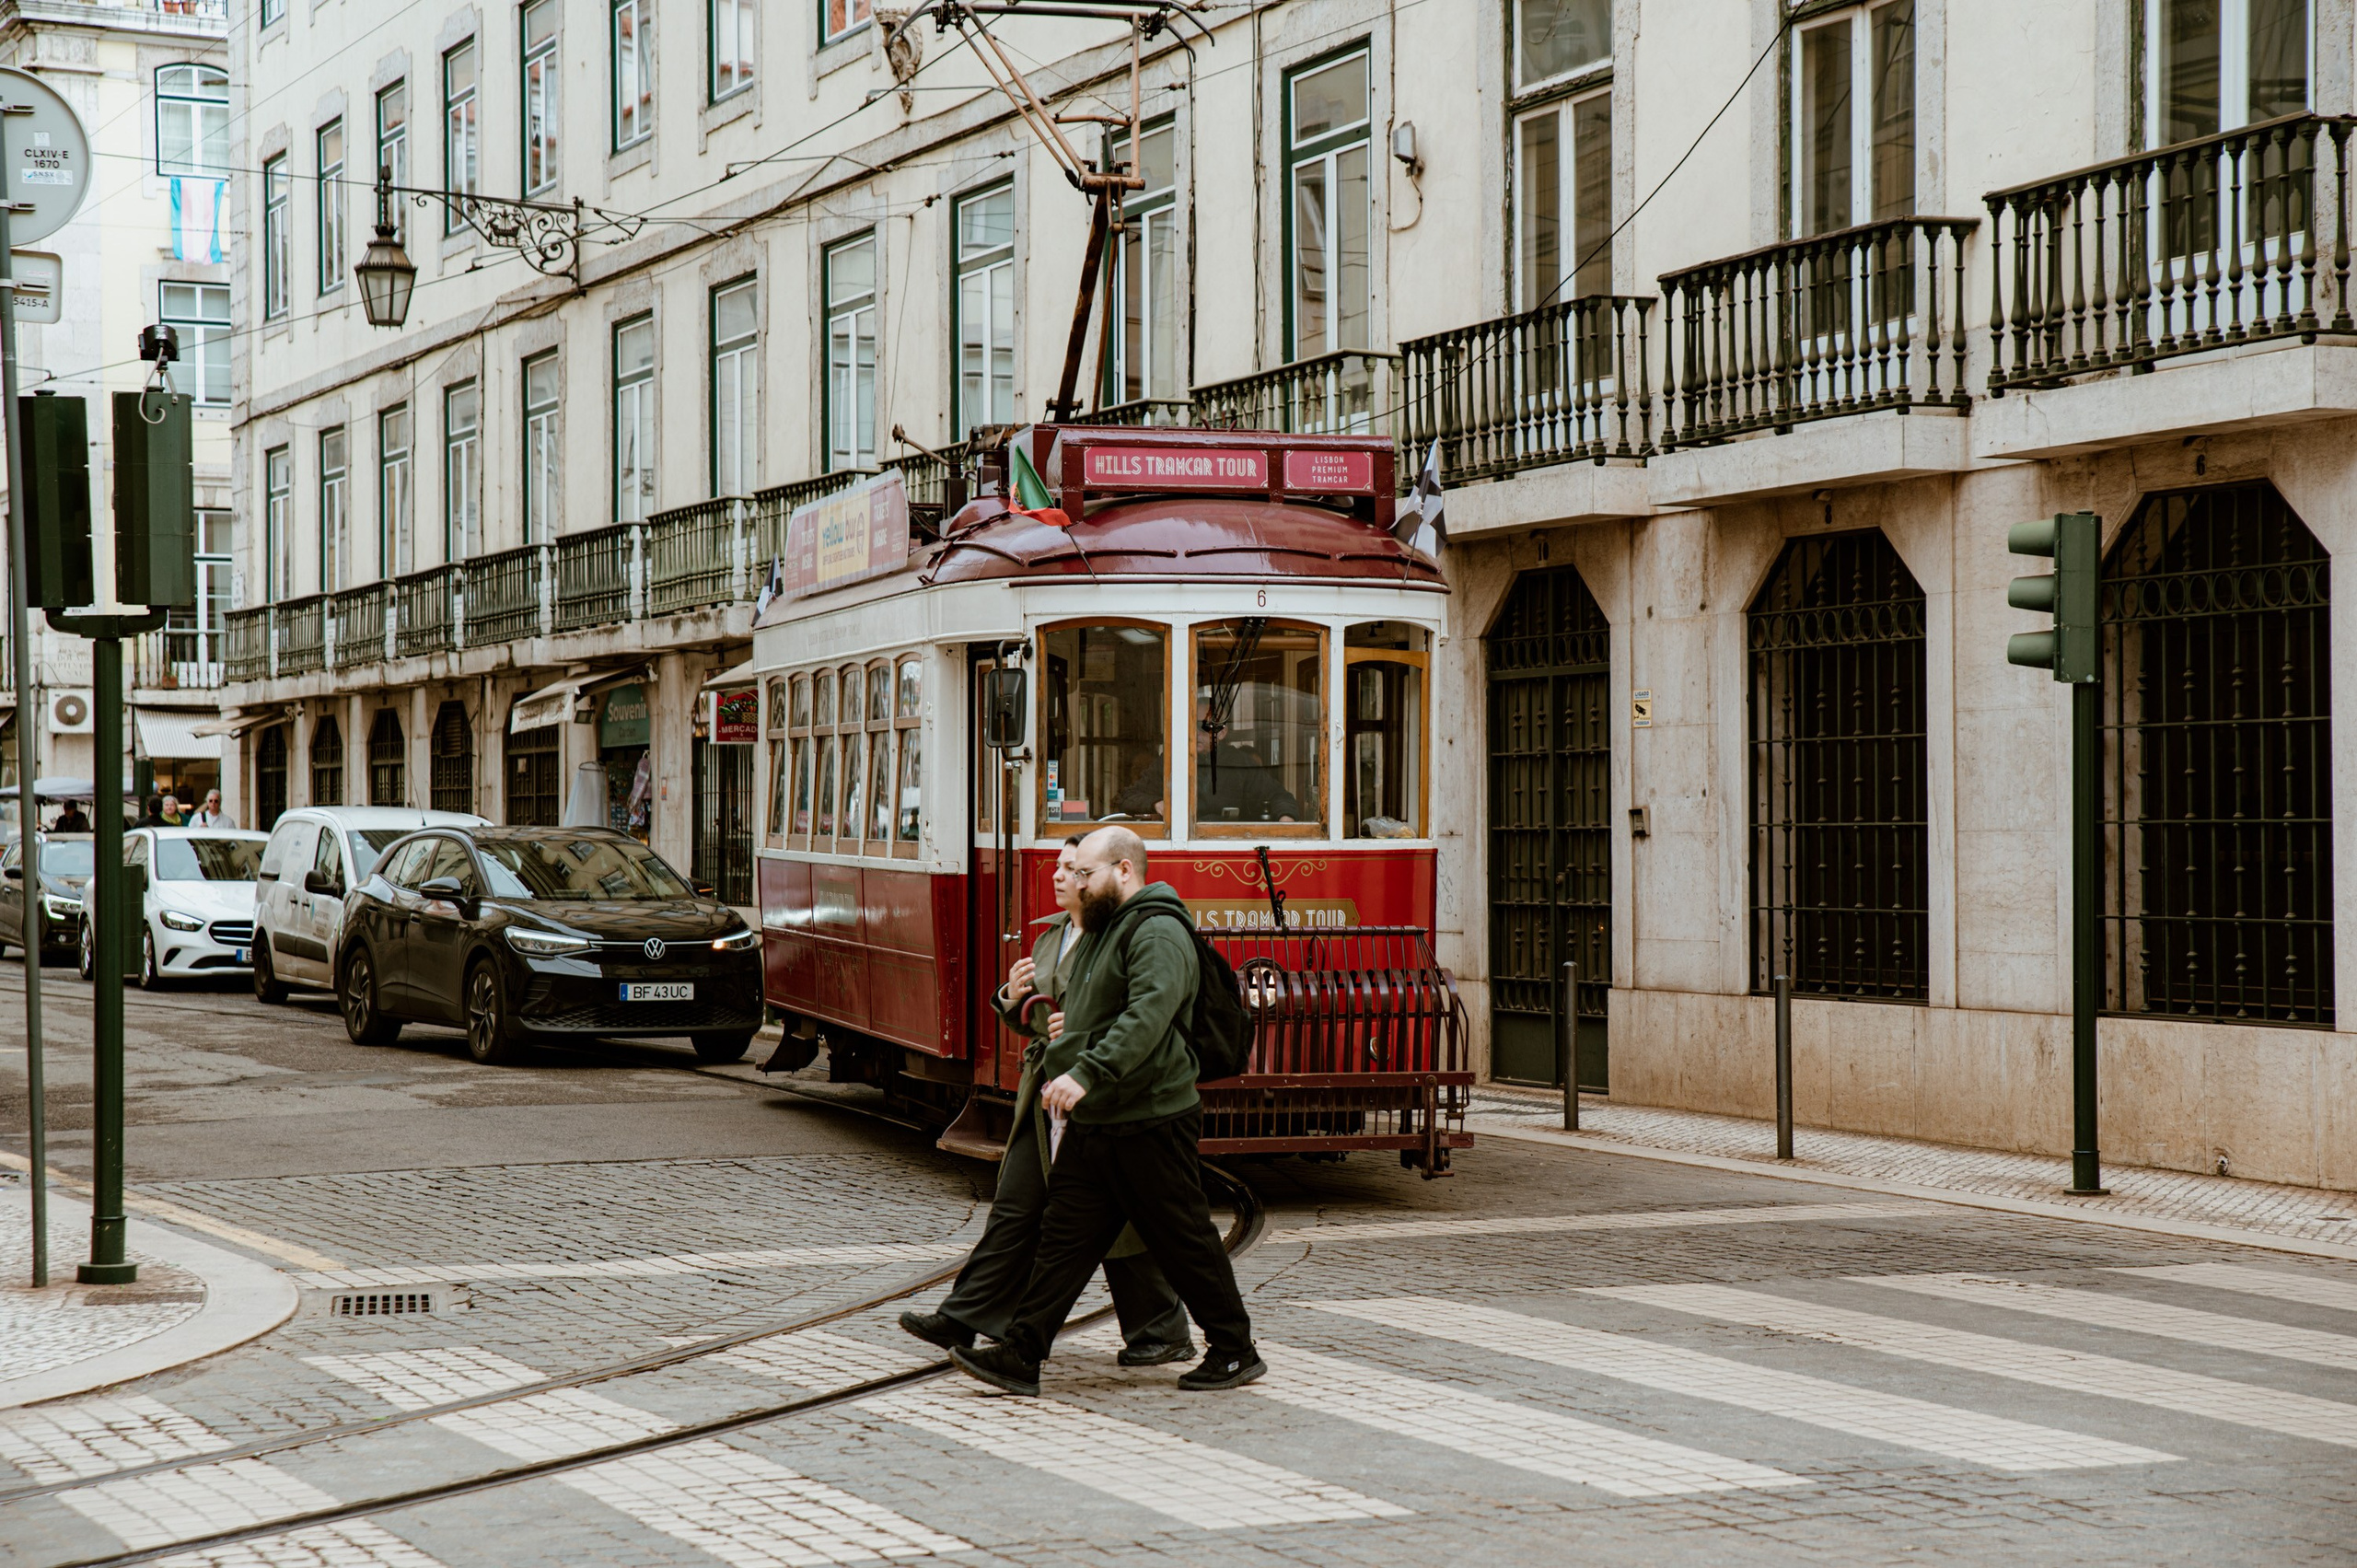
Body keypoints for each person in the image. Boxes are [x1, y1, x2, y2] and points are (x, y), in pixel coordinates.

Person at [948, 825, 1263, 1397]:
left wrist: (1086, 1071)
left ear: (1124, 870)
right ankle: (1021, 1353)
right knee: (1064, 1238)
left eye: (1086, 873)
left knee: (1185, 1239)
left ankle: (1235, 1350)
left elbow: (1148, 1017)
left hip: (1152, 1117)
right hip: (1099, 1117)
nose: (1076, 883)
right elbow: (1087, 1013)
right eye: (1074, 873)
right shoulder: (1102, 926)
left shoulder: (1159, 931)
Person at [899, 834, 1193, 1365]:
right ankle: (965, 1316)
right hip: (1047, 1094)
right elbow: (1043, 1018)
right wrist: (1014, 1001)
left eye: (1075, 868)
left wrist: (1080, 1044)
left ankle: (1162, 1328)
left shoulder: (1126, 933)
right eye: (1061, 866)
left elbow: (1135, 1013)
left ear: (1109, 874)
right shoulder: (1051, 935)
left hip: (1100, 1095)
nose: (1062, 876)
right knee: (1016, 1207)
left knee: (1121, 1219)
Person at [1110, 697, 1299, 824]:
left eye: (1204, 728)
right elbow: (1127, 798)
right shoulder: (1171, 761)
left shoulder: (1241, 763)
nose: (1195, 734)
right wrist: (1156, 803)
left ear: (1222, 733)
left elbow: (1280, 796)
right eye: (1191, 726)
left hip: (1230, 847)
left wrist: (1285, 820)